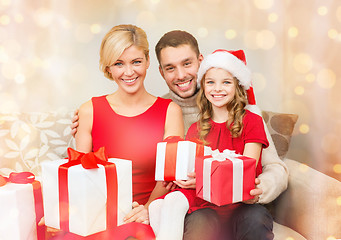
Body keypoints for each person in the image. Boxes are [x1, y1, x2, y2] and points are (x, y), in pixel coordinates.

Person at [71, 30, 288, 239]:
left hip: (243, 206)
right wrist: (81, 131)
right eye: (170, 68)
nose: (181, 75)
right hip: (200, 209)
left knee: (252, 219)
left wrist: (256, 190)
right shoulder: (166, 110)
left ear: (201, 61)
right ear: (160, 71)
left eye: (187, 63)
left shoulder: (244, 112)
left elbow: (273, 167)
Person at [47, 24, 184, 239]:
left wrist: (147, 208)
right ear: (108, 68)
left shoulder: (170, 112)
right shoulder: (89, 110)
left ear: (148, 61)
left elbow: (168, 179)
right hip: (97, 218)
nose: (129, 72)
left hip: (142, 216)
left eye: (136, 62)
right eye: (119, 64)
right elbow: (80, 178)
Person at [149, 49, 273, 240]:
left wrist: (204, 181)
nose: (217, 89)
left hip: (242, 206)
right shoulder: (196, 129)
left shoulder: (252, 122)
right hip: (206, 207)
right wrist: (181, 178)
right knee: (199, 220)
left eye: (226, 82)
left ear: (238, 86)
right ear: (203, 86)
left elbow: (244, 171)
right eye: (210, 82)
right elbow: (192, 173)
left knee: (255, 218)